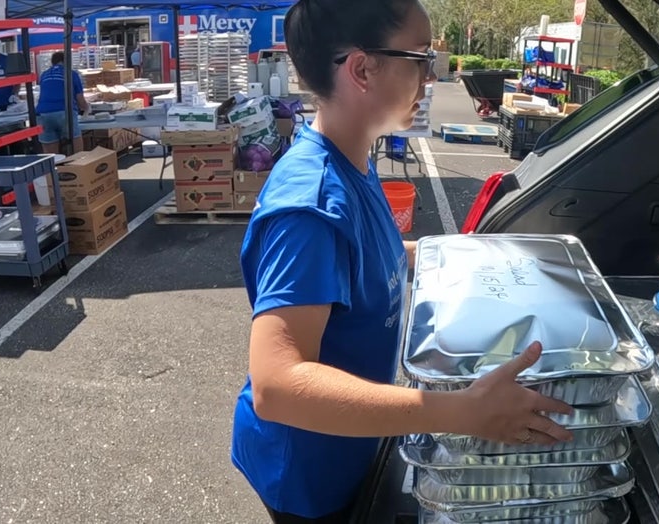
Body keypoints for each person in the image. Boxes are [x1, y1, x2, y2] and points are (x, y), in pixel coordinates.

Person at [230, 1, 574, 522]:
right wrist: (461, 413)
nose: (430, 78)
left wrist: (453, 254)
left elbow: (369, 257)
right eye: (420, 59)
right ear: (363, 69)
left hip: (351, 440)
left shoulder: (352, 157)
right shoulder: (309, 206)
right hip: (307, 473)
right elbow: (277, 386)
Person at [36, 52, 89, 154]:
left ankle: (53, 168)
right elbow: (80, 99)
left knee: (51, 155)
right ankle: (78, 167)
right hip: (64, 111)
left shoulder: (44, 74)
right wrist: (87, 109)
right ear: (66, 61)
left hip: (43, 114)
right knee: (76, 146)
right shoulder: (71, 74)